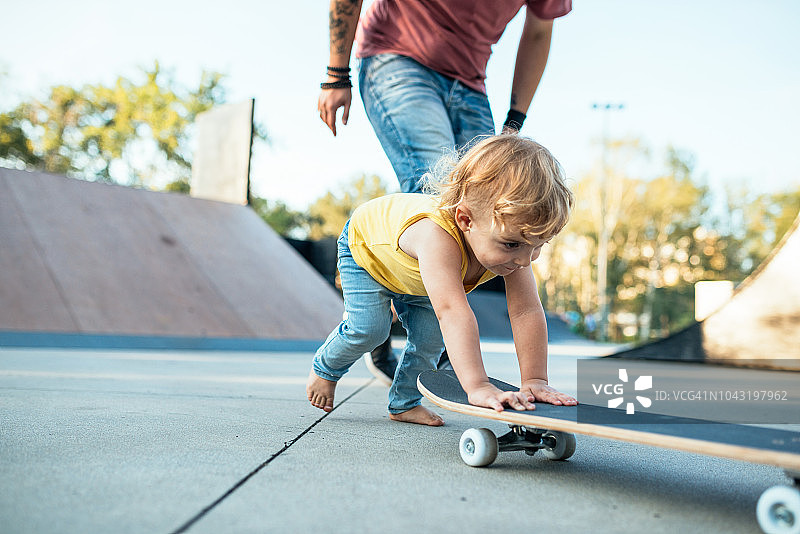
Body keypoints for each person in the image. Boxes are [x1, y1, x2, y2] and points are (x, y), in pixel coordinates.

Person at [317, 0, 573, 384]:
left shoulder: (520, 252)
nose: (526, 260)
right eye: (518, 250)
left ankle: (409, 328)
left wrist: (513, 124)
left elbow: (539, 30)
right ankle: (421, 340)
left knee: (504, 209)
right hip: (397, 54)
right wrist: (337, 72)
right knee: (439, 195)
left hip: (470, 81)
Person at [306, 135, 578, 426]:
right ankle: (325, 368)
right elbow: (451, 312)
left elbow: (526, 312)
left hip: (420, 276)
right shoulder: (437, 237)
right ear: (465, 220)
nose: (526, 260)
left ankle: (403, 403)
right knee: (371, 329)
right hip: (368, 252)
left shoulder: (515, 245)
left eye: (538, 245)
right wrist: (478, 386)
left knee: (430, 340)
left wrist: (535, 379)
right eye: (512, 245)